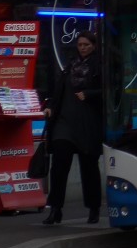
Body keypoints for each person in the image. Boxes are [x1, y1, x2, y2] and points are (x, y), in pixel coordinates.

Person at [42, 32, 103, 225]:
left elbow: (109, 90)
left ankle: (94, 209)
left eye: (86, 44)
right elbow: (58, 89)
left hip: (87, 123)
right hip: (65, 121)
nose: (82, 48)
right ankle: (55, 209)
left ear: (93, 45)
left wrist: (90, 94)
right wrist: (51, 106)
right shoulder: (70, 65)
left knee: (89, 167)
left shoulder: (99, 65)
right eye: (80, 44)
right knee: (59, 166)